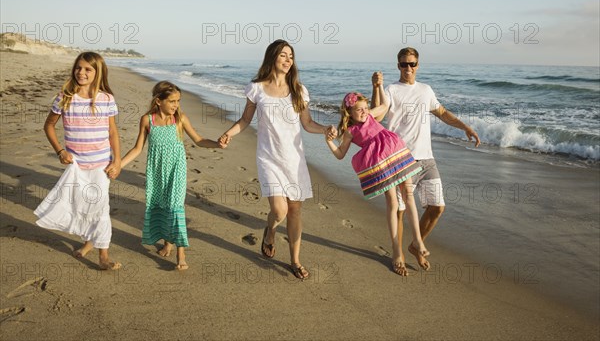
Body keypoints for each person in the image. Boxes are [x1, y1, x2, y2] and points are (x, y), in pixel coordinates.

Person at [218, 39, 336, 280]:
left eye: (291, 56)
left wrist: (325, 129)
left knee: (295, 210)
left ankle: (295, 260)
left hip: (294, 159)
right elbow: (245, 120)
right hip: (268, 157)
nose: (288, 59)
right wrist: (228, 133)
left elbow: (307, 123)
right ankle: (270, 229)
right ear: (272, 57)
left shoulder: (299, 90)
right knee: (279, 210)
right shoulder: (257, 88)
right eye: (283, 55)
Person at [372, 47, 480, 270]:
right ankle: (398, 253)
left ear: (418, 65)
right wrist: (376, 87)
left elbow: (442, 112)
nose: (408, 68)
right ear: (398, 65)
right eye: (404, 64)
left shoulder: (425, 90)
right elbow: (379, 115)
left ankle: (415, 244)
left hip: (427, 159)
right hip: (400, 160)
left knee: (437, 207)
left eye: (412, 64)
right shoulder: (391, 89)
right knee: (399, 211)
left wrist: (465, 127)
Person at [121, 81, 223, 270]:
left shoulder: (180, 119)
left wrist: (217, 144)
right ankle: (168, 241)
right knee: (161, 205)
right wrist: (119, 164)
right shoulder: (147, 120)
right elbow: (137, 149)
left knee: (175, 207)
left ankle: (180, 253)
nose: (176, 105)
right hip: (156, 171)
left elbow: (199, 141)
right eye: (172, 101)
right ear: (158, 101)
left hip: (176, 171)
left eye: (178, 101)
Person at [325, 90, 428, 276]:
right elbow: (340, 154)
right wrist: (329, 141)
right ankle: (396, 250)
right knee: (393, 203)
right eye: (359, 110)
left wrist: (378, 86)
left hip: (395, 151)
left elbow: (385, 106)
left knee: (409, 195)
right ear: (349, 112)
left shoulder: (371, 114)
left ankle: (418, 240)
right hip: (380, 161)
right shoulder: (350, 132)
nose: (364, 112)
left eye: (365, 108)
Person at [35, 52, 122, 270]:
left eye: (88, 69)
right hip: (75, 165)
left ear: (98, 72)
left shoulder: (106, 99)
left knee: (100, 207)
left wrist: (117, 160)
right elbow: (48, 126)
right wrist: (60, 151)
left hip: (101, 164)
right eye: (79, 68)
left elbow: (112, 132)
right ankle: (88, 243)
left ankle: (103, 256)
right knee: (81, 204)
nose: (81, 72)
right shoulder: (65, 97)